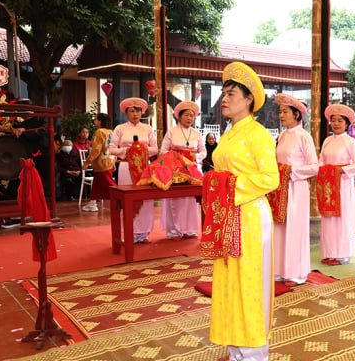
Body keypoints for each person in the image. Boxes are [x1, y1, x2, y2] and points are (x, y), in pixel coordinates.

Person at [200, 62, 279, 361]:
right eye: (224, 93)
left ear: (249, 99)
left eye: (231, 93)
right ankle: (235, 348)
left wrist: (228, 187)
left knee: (249, 281)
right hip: (228, 216)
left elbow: (270, 179)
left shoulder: (258, 135)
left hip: (250, 217)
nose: (224, 98)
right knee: (228, 280)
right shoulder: (230, 133)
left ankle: (254, 351)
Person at [272, 93, 318, 286]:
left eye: (285, 112)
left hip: (296, 188)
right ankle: (278, 270)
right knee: (279, 229)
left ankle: (296, 273)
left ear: (297, 115)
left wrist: (289, 172)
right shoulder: (281, 135)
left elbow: (313, 167)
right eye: (280, 112)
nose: (281, 115)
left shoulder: (304, 136)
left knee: (294, 228)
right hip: (279, 189)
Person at [109, 97, 159, 244]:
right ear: (126, 113)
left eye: (138, 111)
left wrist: (140, 150)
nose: (135, 114)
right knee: (129, 199)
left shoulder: (147, 129)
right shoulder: (120, 129)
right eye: (132, 111)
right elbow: (111, 149)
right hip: (126, 167)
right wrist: (129, 150)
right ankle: (129, 233)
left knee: (145, 200)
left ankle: (143, 233)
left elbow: (155, 148)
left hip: (144, 167)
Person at [318, 104, 355, 266]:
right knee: (328, 219)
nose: (336, 124)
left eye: (339, 121)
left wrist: (341, 171)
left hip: (342, 185)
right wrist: (321, 169)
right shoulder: (328, 140)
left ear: (347, 124)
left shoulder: (351, 142)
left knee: (342, 218)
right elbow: (321, 160)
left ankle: (343, 255)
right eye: (333, 121)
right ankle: (330, 252)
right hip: (328, 185)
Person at [159, 101, 205, 240]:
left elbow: (203, 151)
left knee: (190, 200)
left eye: (192, 115)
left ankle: (189, 230)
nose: (189, 118)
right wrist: (173, 158)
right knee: (176, 199)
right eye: (186, 115)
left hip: (191, 170)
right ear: (179, 116)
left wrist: (195, 156)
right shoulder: (172, 131)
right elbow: (163, 150)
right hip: (175, 171)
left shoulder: (196, 133)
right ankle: (174, 231)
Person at [81, 113, 116, 212]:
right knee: (97, 183)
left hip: (101, 162)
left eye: (96, 119)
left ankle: (120, 199)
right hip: (109, 160)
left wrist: (87, 162)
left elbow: (95, 149)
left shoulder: (99, 132)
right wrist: (113, 162)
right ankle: (92, 203)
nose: (94, 121)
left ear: (100, 121)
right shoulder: (111, 132)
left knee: (109, 184)